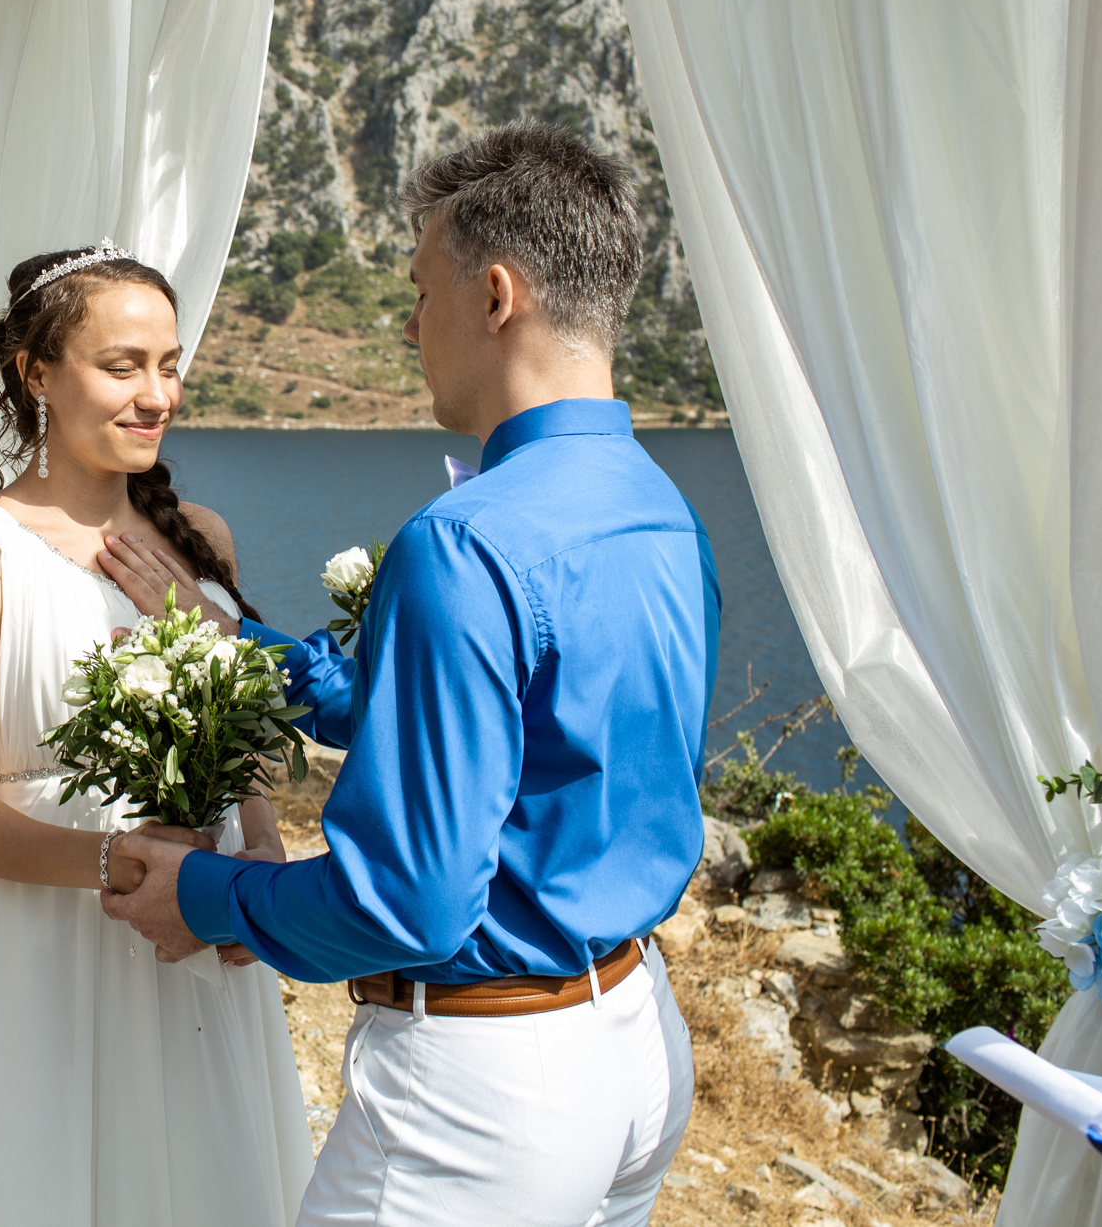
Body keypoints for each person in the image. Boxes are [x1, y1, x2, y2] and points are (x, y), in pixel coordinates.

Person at [105, 128, 719, 1227]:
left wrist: (202, 895)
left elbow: (407, 898)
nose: (406, 326)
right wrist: (229, 643)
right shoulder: (661, 510)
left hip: (484, 1090)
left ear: (494, 294)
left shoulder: (467, 542)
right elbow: (500, 737)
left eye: (419, 290)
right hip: (632, 1041)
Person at [0, 243, 313, 1227]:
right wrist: (112, 857)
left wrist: (259, 851)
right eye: (122, 364)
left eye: (168, 363)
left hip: (206, 933)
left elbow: (234, 732)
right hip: (45, 956)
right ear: (37, 372)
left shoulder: (201, 535)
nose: (156, 391)